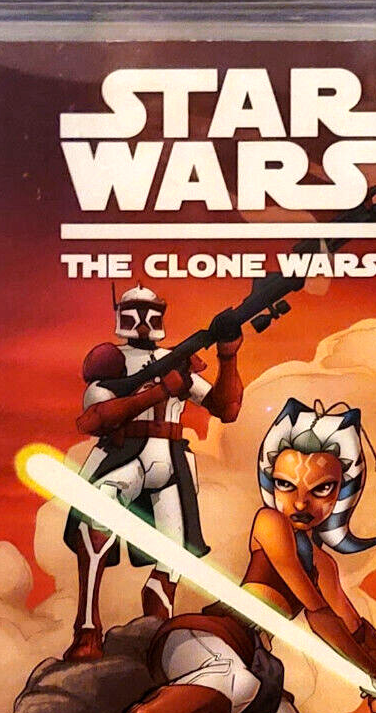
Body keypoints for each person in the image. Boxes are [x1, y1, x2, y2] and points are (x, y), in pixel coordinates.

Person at [42, 398, 376, 713]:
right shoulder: (271, 522)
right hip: (206, 639)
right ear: (270, 482)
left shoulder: (325, 565)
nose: (301, 503)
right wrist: (374, 680)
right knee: (235, 683)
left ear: (343, 491)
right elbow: (319, 614)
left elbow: (357, 632)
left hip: (256, 665)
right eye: (286, 485)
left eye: (321, 489)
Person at [62, 284, 242, 662]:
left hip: (170, 458)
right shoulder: (111, 360)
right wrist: (159, 391)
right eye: (136, 313)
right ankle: (87, 629)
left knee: (175, 552)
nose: (144, 322)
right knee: (95, 524)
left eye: (151, 313)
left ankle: (160, 624)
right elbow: (96, 417)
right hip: (122, 454)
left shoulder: (174, 359)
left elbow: (226, 408)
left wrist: (228, 355)